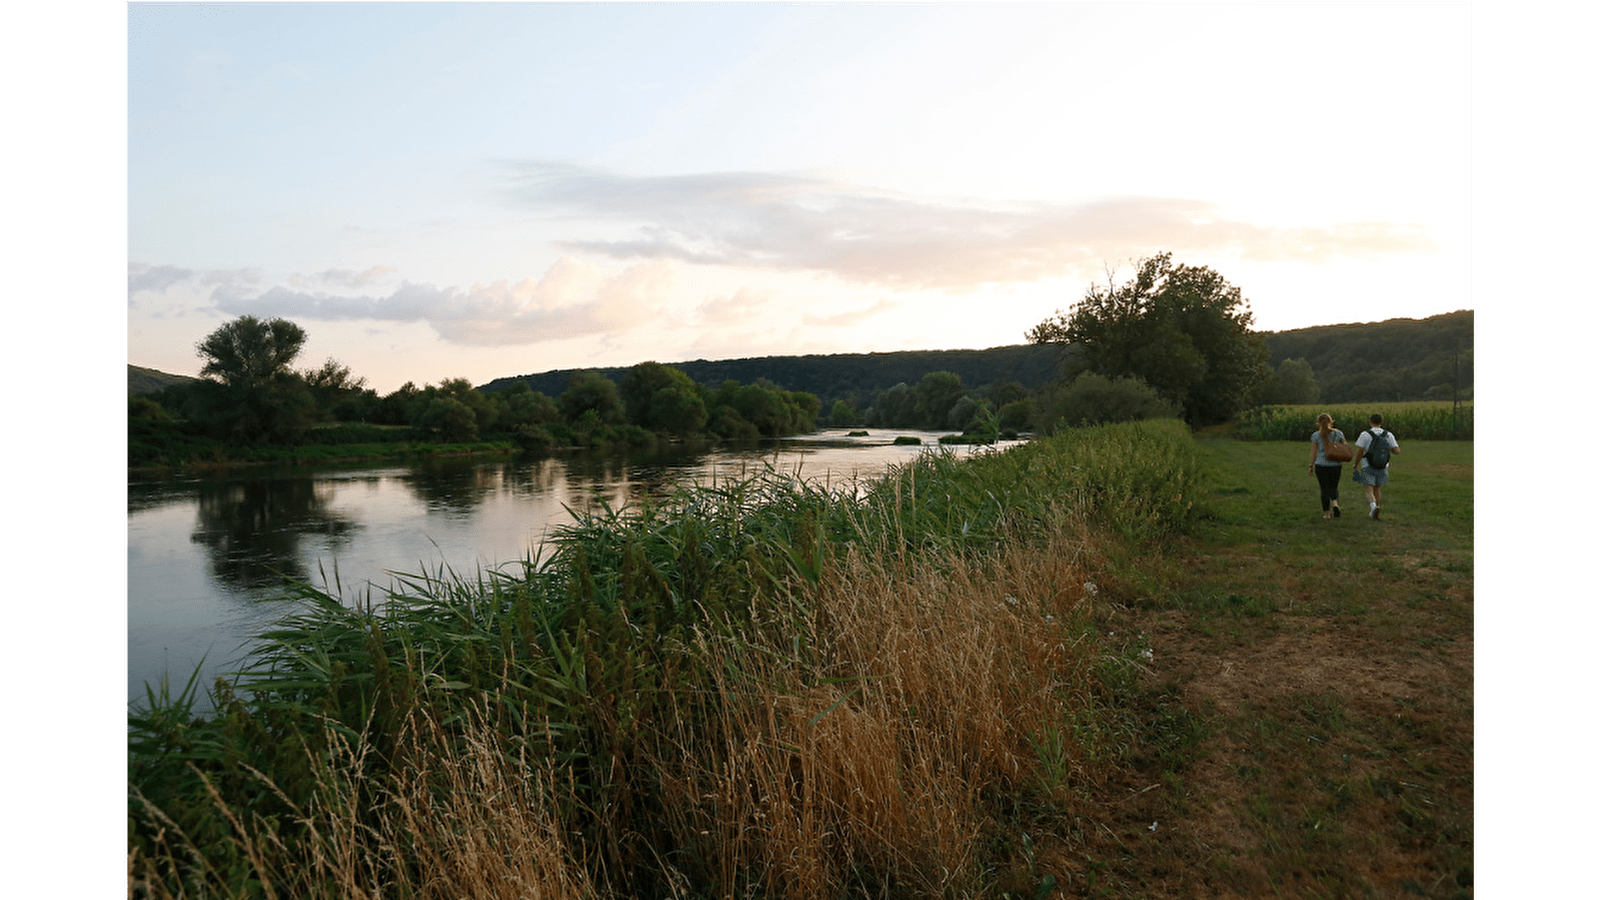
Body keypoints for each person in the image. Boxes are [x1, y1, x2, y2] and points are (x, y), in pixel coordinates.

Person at [1352, 413, 1401, 519]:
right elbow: (1397, 451)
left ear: (1370, 421)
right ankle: (1377, 508)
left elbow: (1360, 451)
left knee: (1368, 489)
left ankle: (1373, 507)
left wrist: (1355, 464)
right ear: (1382, 422)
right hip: (1383, 466)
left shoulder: (1365, 434)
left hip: (1367, 465)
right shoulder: (1388, 434)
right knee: (1377, 488)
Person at [1308, 413, 1347, 519]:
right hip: (1336, 464)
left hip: (1321, 465)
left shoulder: (1316, 435)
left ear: (1318, 423)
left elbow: (1314, 452)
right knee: (1334, 486)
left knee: (1324, 488)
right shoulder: (1338, 433)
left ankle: (1327, 513)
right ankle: (1335, 503)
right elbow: (1345, 446)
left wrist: (1311, 466)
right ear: (1331, 421)